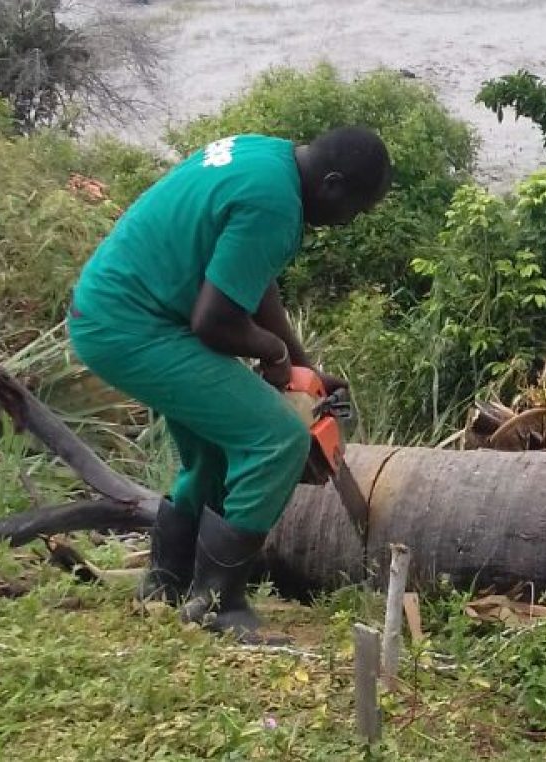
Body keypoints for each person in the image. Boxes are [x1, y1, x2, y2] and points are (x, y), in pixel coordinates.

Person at [68, 128, 392, 643]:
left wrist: (303, 366)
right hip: (131, 327)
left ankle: (167, 585)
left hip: (116, 312)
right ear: (331, 185)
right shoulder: (275, 207)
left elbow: (246, 277)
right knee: (277, 440)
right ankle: (219, 604)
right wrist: (275, 355)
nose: (347, 223)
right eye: (354, 209)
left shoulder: (264, 156)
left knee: (216, 447)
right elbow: (214, 322)